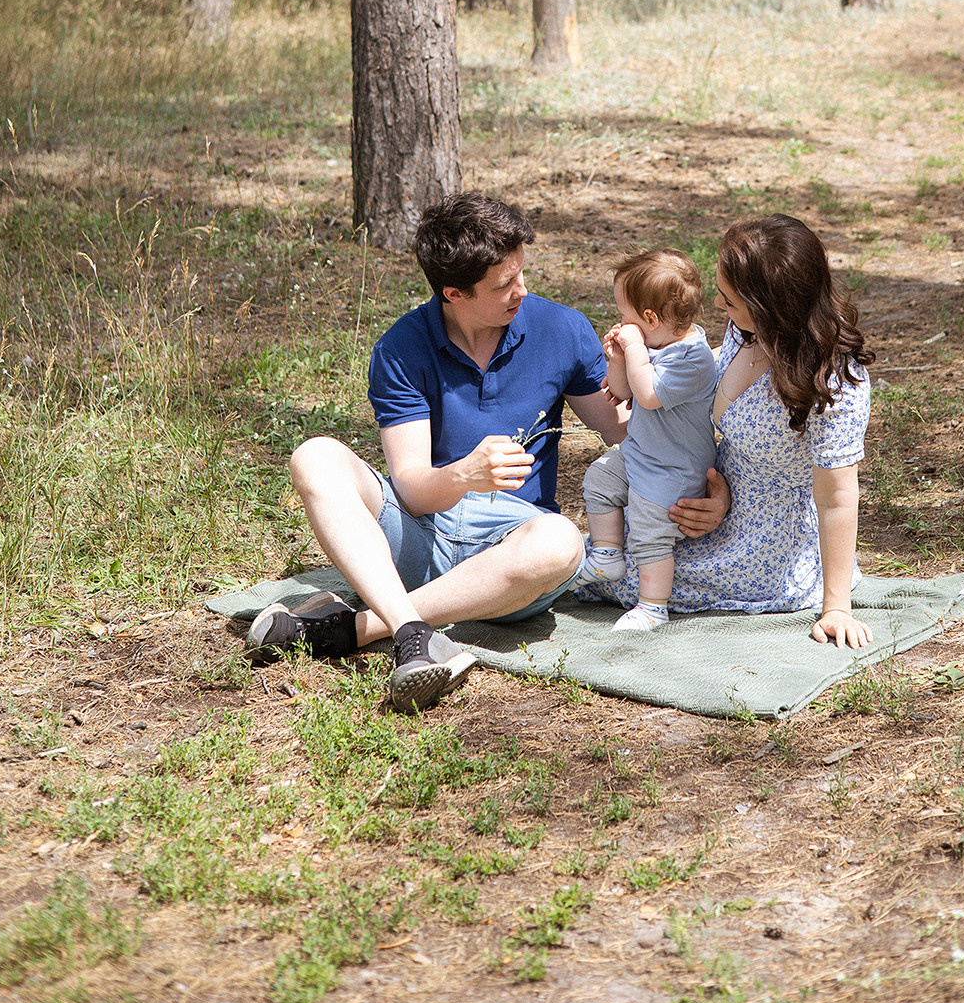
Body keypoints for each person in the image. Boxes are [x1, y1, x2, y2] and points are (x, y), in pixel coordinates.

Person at [245, 194, 639, 711]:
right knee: (314, 455)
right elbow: (411, 488)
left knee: (561, 540)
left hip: (513, 558)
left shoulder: (561, 329)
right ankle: (413, 632)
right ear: (453, 293)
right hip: (423, 533)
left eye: (522, 273)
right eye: (504, 284)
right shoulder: (400, 348)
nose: (522, 290)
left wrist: (646, 374)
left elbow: (620, 432)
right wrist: (464, 475)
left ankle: (362, 628)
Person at [578, 213, 876, 649]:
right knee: (611, 550)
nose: (718, 307)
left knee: (634, 572)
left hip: (766, 540)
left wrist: (837, 607)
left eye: (731, 301)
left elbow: (837, 498)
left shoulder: (833, 383)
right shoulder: (746, 332)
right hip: (703, 494)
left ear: (772, 307)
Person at [580, 250, 718, 633]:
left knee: (649, 532)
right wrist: (617, 359)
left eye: (625, 315)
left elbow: (649, 394)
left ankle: (653, 607)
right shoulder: (655, 345)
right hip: (640, 452)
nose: (621, 322)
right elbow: (623, 391)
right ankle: (607, 554)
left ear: (651, 319)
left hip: (672, 469)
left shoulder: (692, 358)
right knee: (599, 478)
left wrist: (635, 349)